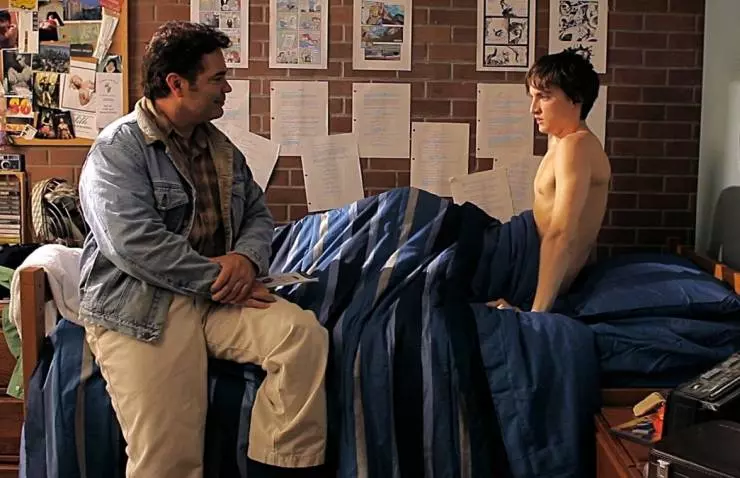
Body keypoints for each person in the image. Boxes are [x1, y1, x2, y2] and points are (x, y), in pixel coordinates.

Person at [77, 21, 328, 478]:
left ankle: (277, 468)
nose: (226, 88)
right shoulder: (118, 150)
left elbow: (258, 214)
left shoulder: (220, 148)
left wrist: (246, 260)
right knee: (169, 455)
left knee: (301, 337)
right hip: (145, 305)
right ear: (177, 84)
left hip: (215, 299)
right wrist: (223, 279)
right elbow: (133, 243)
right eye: (217, 78)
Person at [490, 50, 611, 313]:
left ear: (575, 98)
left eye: (544, 97)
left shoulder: (575, 146)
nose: (533, 109)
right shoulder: (561, 141)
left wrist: (536, 314)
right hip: (514, 247)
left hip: (520, 263)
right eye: (532, 97)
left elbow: (561, 233)